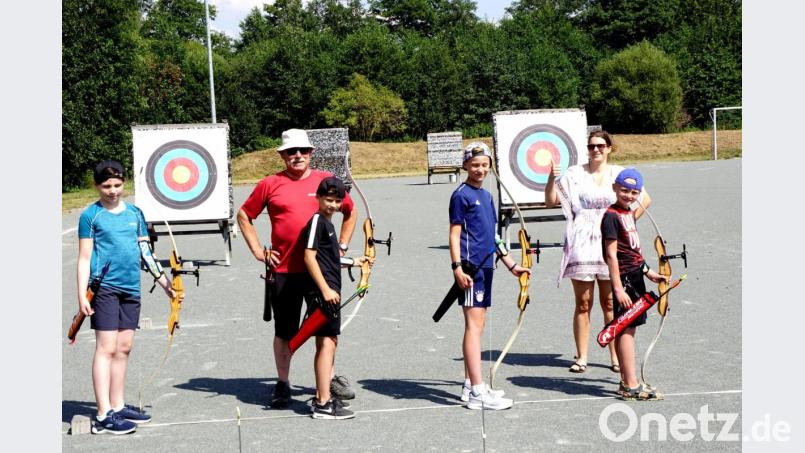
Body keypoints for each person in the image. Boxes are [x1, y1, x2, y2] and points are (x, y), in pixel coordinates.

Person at [237, 128, 358, 408]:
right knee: (285, 331)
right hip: (285, 272)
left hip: (322, 276)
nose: (298, 156)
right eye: (291, 151)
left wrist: (342, 246)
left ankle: (324, 390)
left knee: (325, 332)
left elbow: (349, 211)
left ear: (311, 153)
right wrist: (258, 251)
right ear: (282, 155)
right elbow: (244, 214)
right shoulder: (269, 183)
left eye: (303, 151)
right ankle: (283, 383)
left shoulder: (325, 182)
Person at [77, 160, 178, 434]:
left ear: (124, 183)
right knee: (106, 348)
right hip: (104, 288)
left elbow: (146, 252)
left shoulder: (135, 213)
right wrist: (81, 295)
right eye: (106, 186)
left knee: (124, 348)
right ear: (96, 186)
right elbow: (85, 258)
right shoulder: (90, 216)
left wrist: (165, 282)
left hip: (130, 288)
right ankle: (102, 414)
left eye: (118, 185)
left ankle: (118, 405)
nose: (113, 191)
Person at [544, 131, 651, 374]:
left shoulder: (618, 173)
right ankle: (582, 356)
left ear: (609, 148)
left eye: (601, 145)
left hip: (612, 243)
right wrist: (551, 178)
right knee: (583, 303)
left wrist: (627, 223)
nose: (596, 150)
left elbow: (645, 199)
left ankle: (615, 354)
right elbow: (551, 201)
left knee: (610, 302)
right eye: (592, 146)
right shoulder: (574, 173)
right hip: (582, 241)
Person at [449, 142, 530, 410]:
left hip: (487, 268)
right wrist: (457, 267)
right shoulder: (460, 195)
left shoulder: (487, 196)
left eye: (485, 165)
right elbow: (455, 234)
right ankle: (476, 391)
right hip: (471, 269)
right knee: (473, 328)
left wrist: (511, 264)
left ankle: (469, 385)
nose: (480, 169)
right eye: (475, 165)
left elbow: (494, 236)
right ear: (465, 166)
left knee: (478, 327)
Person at [302, 176, 373, 419]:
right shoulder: (316, 222)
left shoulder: (328, 224)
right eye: (329, 200)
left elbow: (327, 259)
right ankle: (323, 403)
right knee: (326, 344)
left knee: (329, 343)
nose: (333, 205)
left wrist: (355, 261)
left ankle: (324, 395)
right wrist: (324, 290)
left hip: (330, 291)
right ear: (319, 198)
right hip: (323, 293)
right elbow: (309, 257)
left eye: (337, 201)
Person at [601, 168, 667, 400]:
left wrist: (649, 273)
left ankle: (627, 381)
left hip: (635, 276)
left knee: (630, 328)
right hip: (625, 279)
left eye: (634, 192)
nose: (629, 195)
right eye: (625, 190)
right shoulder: (611, 215)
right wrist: (617, 287)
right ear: (614, 189)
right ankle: (630, 384)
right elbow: (611, 256)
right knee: (626, 329)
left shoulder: (628, 212)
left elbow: (632, 250)